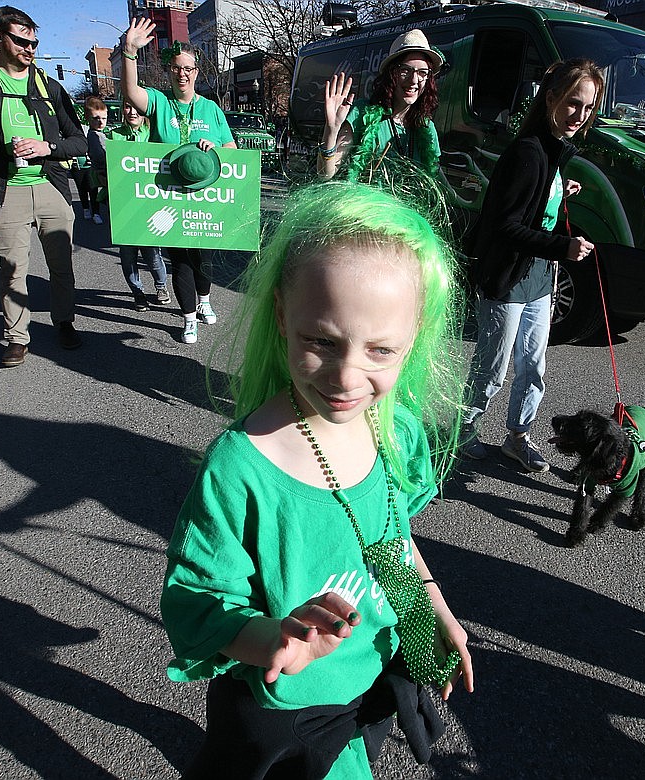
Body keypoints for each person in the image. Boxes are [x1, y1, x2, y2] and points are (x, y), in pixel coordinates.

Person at [162, 180, 474, 777]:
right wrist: (275, 639)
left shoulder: (393, 431)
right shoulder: (240, 464)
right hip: (287, 707)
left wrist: (432, 611)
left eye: (381, 351)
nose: (347, 375)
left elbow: (390, 542)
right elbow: (198, 600)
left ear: (416, 339)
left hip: (369, 675)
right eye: (321, 341)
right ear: (281, 315)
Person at [460, 59, 602, 470]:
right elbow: (505, 226)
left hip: (538, 277)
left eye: (588, 108)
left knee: (533, 365)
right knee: (493, 367)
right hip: (507, 278)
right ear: (552, 98)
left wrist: (558, 192)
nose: (580, 115)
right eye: (573, 103)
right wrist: (564, 246)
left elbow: (533, 205)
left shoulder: (552, 152)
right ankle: (464, 430)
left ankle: (517, 437)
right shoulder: (529, 152)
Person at [0, 5, 88, 368]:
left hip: (50, 185)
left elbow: (79, 140)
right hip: (5, 188)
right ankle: (17, 338)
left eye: (34, 42)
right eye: (21, 40)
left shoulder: (49, 86)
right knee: (13, 266)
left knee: (61, 265)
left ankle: (64, 322)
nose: (30, 48)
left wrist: (48, 147)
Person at [121, 17, 235, 345]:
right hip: (169, 196)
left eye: (188, 68)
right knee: (181, 260)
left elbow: (231, 147)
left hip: (205, 198)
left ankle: (205, 300)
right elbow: (131, 92)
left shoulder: (211, 109)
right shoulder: (159, 102)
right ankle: (188, 318)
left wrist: (216, 149)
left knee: (203, 258)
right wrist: (130, 52)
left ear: (197, 72)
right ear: (169, 71)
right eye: (176, 68)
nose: (182, 73)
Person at [319, 29, 443, 183]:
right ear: (391, 73)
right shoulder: (362, 113)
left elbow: (434, 179)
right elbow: (325, 173)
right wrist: (331, 130)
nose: (414, 80)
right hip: (365, 206)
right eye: (405, 70)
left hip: (408, 207)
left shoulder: (426, 127)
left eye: (422, 73)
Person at [105, 101, 171, 309]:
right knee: (128, 255)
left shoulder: (154, 135)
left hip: (148, 203)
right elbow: (103, 168)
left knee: (152, 253)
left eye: (136, 107)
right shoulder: (113, 136)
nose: (132, 112)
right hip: (123, 206)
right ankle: (138, 292)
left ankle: (161, 286)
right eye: (126, 107)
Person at [82, 95, 106, 224]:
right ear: (88, 118)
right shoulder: (94, 136)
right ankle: (94, 213)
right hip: (101, 174)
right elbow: (100, 157)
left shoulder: (101, 134)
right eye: (96, 118)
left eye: (104, 118)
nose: (101, 122)